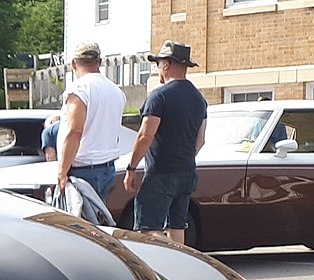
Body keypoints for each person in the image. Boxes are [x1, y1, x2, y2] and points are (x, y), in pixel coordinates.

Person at [124, 40, 207, 245]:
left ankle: (169, 257)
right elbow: (201, 140)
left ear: (167, 64)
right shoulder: (199, 99)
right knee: (177, 226)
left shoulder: (159, 96)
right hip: (187, 171)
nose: (158, 68)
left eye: (158, 64)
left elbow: (145, 136)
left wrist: (131, 168)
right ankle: (180, 261)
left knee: (147, 229)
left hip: (160, 173)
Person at [56, 42, 127, 202]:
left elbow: (75, 132)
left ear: (74, 63)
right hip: (107, 167)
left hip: (82, 169)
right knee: (97, 216)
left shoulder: (79, 90)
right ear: (99, 62)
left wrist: (62, 171)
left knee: (75, 218)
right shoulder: (116, 91)